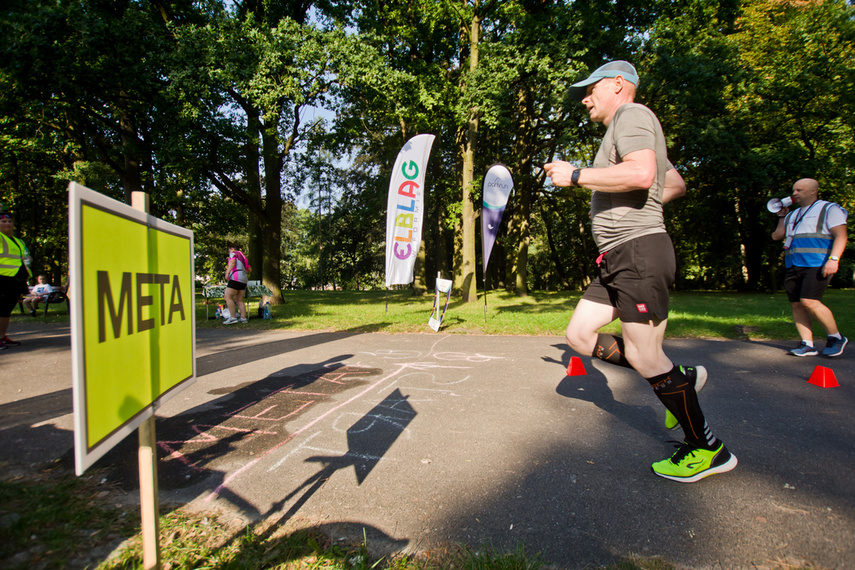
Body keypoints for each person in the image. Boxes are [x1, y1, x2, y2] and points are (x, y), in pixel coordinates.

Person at [544, 60, 736, 483]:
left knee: (645, 355)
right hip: (617, 256)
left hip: (638, 253)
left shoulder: (632, 115)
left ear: (618, 85)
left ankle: (707, 448)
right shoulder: (629, 128)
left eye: (590, 90)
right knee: (579, 335)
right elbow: (673, 184)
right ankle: (678, 377)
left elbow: (642, 173)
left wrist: (576, 175)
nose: (585, 99)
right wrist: (638, 204)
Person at [771, 178, 848, 357]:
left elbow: (841, 235)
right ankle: (807, 344)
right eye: (794, 190)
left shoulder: (829, 209)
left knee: (809, 301)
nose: (794, 194)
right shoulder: (793, 214)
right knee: (797, 304)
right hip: (794, 263)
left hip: (818, 263)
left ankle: (836, 337)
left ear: (813, 191)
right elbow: (777, 236)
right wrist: (782, 216)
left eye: (799, 190)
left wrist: (833, 259)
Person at [0, 212, 31, 350]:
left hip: (16, 279)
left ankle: (2, 337)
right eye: (3, 221)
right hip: (2, 278)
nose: (7, 224)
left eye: (9, 221)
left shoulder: (19, 241)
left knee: (7, 310)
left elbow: (25, 258)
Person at [223, 242, 250, 325]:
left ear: (232, 249)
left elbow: (232, 262)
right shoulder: (243, 256)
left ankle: (233, 317)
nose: (229, 252)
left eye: (229, 250)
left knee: (227, 297)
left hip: (235, 277)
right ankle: (243, 318)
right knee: (239, 300)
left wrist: (227, 273)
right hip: (243, 279)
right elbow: (249, 269)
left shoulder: (233, 254)